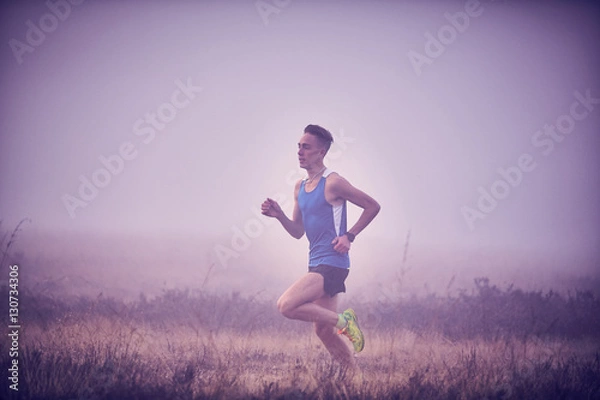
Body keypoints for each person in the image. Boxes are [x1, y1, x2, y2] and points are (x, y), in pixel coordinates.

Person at [261, 124, 380, 367]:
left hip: (332, 263)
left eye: (306, 147)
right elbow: (297, 231)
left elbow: (372, 206)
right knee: (323, 332)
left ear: (321, 152)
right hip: (316, 263)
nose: (300, 152)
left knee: (286, 305)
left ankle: (345, 321)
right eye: (298, 147)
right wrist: (279, 215)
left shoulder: (333, 182)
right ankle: (352, 378)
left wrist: (350, 235)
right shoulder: (300, 188)